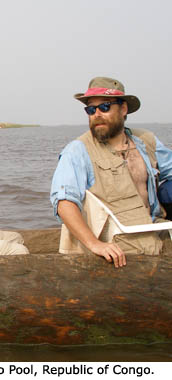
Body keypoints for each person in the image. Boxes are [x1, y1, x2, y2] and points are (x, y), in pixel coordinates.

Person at [50, 76, 172, 268]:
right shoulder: (78, 150)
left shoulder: (146, 141)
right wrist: (95, 244)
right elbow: (64, 203)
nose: (96, 114)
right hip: (118, 251)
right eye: (91, 109)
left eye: (104, 107)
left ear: (123, 109)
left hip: (157, 234)